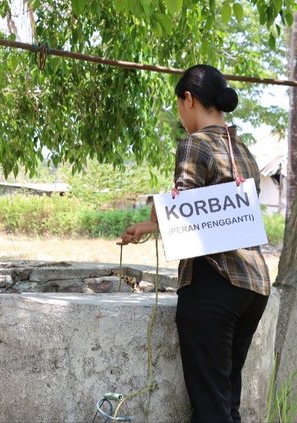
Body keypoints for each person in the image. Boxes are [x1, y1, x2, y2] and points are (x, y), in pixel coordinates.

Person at [119, 64, 270, 423]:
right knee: (226, 402)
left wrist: (155, 215)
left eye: (179, 105)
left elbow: (185, 208)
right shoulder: (243, 150)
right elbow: (218, 212)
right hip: (254, 287)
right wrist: (150, 224)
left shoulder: (194, 144)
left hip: (213, 283)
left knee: (210, 410)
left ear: (189, 99)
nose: (180, 115)